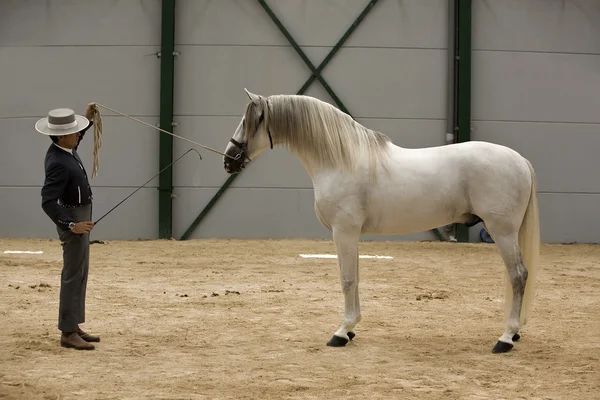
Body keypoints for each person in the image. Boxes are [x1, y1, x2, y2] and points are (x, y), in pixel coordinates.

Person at [36, 104, 100, 350]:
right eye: (75, 131)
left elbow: (79, 138)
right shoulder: (57, 162)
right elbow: (47, 201)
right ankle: (67, 332)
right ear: (62, 135)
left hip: (80, 216)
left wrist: (87, 118)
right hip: (73, 219)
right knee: (73, 275)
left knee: (81, 272)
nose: (78, 134)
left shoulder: (65, 148)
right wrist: (72, 224)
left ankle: (74, 324)